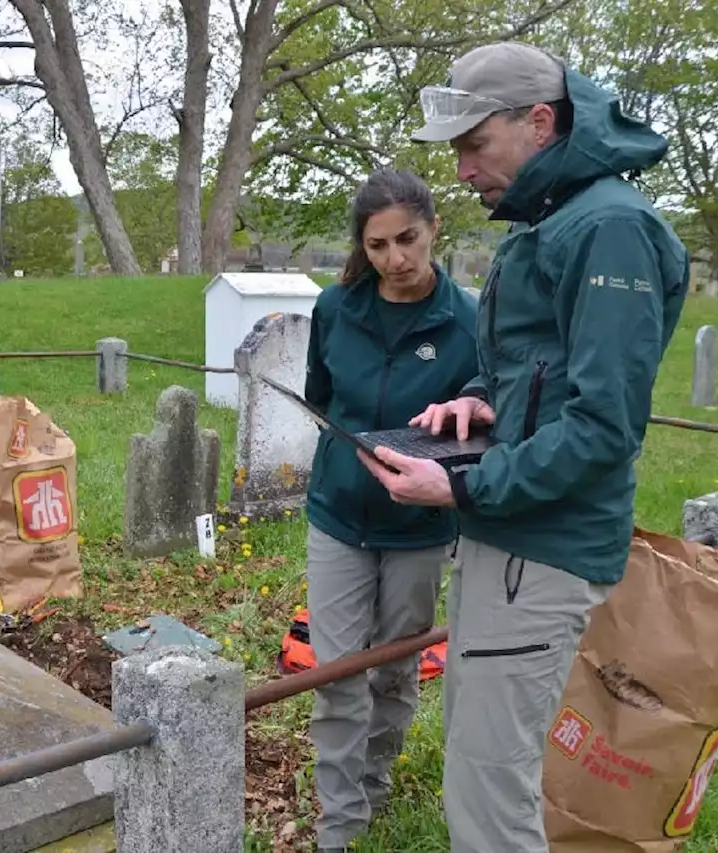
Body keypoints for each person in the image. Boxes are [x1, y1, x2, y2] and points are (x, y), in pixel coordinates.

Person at [355, 42, 690, 853]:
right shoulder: (557, 218)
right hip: (509, 535)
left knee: (488, 788)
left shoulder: (607, 227)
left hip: (540, 544)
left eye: (476, 145)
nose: (464, 172)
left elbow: (604, 428)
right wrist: (479, 403)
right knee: (479, 763)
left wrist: (461, 488)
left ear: (539, 122)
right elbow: (549, 377)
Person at [302, 168, 480, 853]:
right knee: (337, 671)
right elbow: (322, 395)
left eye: (407, 238)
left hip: (419, 526)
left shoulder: (468, 321)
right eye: (377, 245)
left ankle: (374, 783)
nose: (395, 258)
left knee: (395, 668)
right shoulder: (335, 308)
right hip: (339, 516)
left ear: (434, 227)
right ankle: (339, 824)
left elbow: (479, 414)